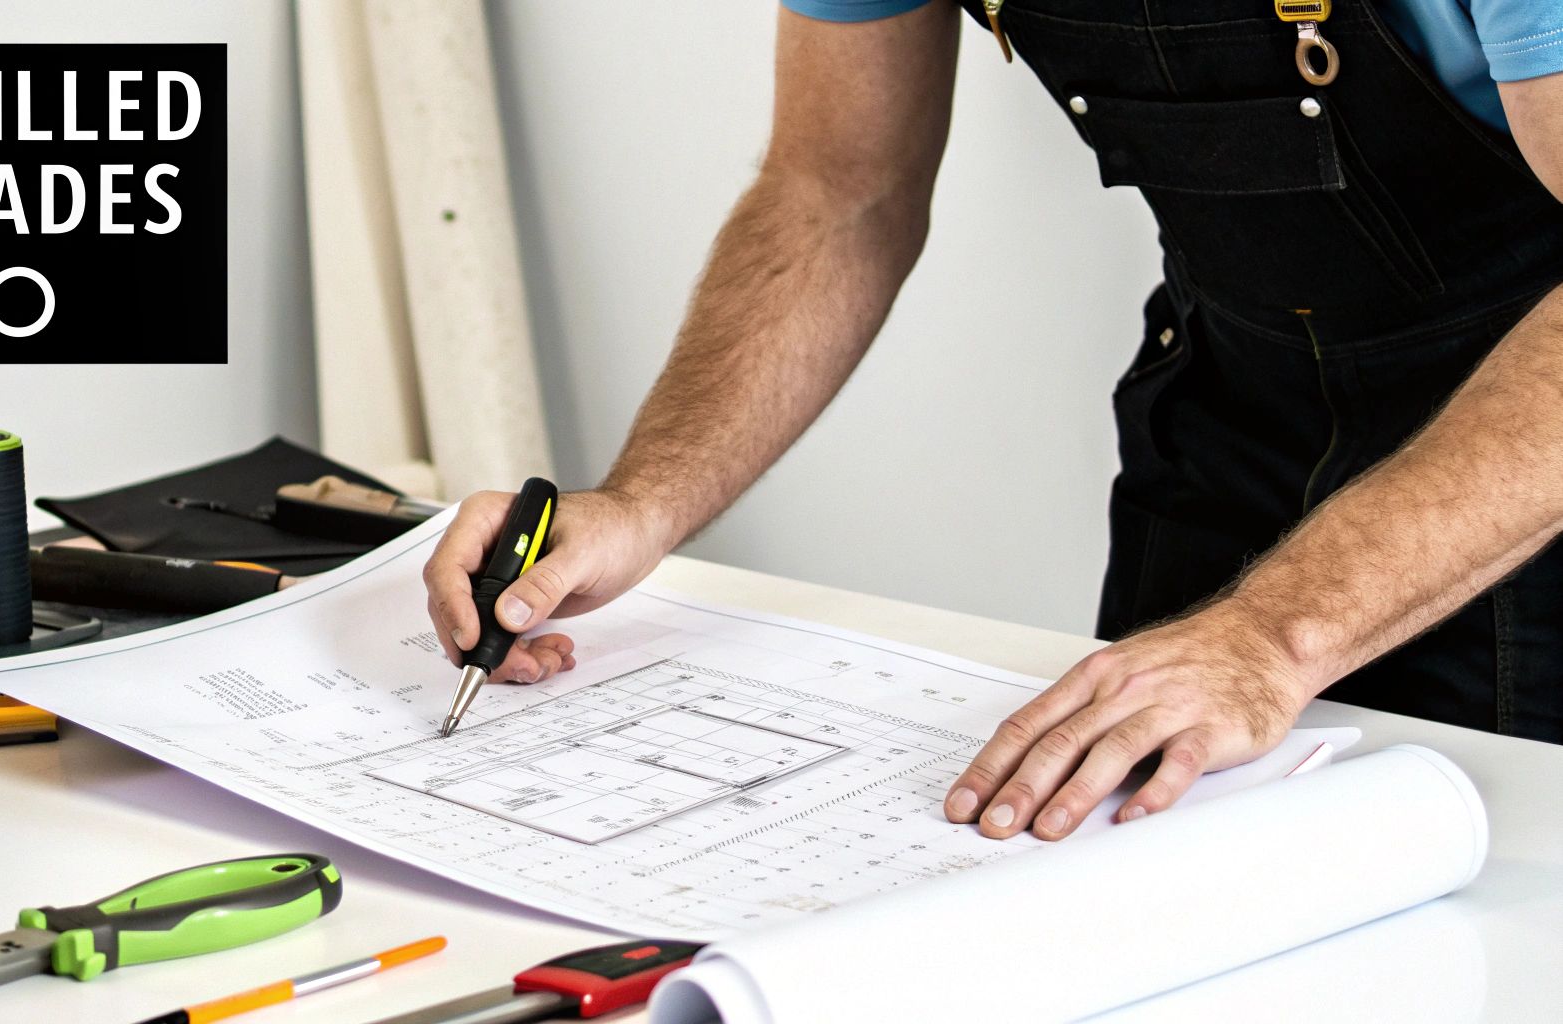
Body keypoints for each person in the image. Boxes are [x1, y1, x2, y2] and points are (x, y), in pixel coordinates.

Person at [424, 0, 1563, 843]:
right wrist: (641, 501)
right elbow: (838, 187)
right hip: (1228, 423)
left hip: (1520, 468)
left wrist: (1276, 635)